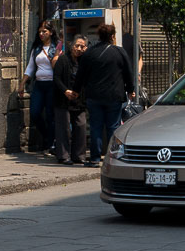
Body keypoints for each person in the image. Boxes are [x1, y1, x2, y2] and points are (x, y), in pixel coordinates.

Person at [75, 23, 136, 167]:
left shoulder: (90, 53)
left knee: (95, 126)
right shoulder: (119, 52)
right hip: (114, 96)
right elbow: (128, 73)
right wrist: (130, 90)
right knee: (113, 127)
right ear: (113, 37)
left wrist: (76, 90)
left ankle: (95, 158)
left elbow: (80, 74)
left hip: (94, 96)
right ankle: (112, 157)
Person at [21, 21, 61, 155]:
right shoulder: (37, 48)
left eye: (44, 31)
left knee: (50, 115)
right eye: (40, 32)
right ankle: (46, 136)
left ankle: (50, 143)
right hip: (39, 84)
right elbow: (30, 67)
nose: (41, 34)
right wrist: (22, 84)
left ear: (51, 32)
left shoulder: (57, 47)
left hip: (52, 84)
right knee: (35, 112)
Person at [52, 36, 89, 165]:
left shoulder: (85, 61)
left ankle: (79, 155)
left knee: (81, 125)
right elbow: (56, 78)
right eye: (77, 45)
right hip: (63, 99)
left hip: (79, 99)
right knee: (64, 127)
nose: (79, 49)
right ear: (72, 46)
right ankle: (63, 156)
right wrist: (65, 91)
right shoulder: (63, 60)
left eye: (82, 46)